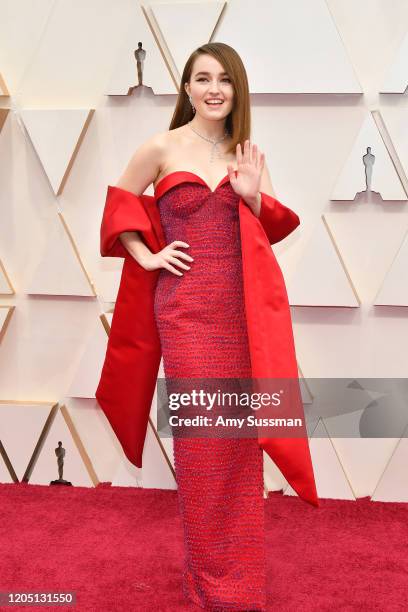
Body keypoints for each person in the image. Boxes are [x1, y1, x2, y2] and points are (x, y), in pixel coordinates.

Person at [96, 42, 318, 611]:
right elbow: (120, 201)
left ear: (236, 88)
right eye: (202, 78)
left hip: (241, 316)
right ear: (187, 88)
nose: (214, 88)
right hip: (187, 312)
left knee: (239, 445)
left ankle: (238, 583)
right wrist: (145, 256)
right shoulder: (163, 146)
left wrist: (251, 194)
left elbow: (268, 228)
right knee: (201, 446)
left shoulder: (246, 153)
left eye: (224, 79)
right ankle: (209, 581)